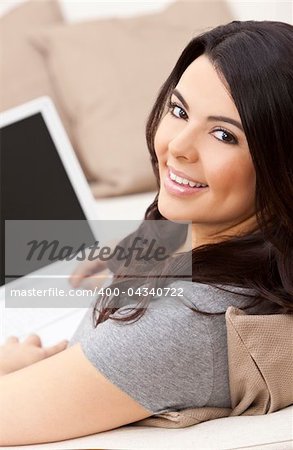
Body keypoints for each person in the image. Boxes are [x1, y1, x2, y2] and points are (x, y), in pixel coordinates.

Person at [0, 20, 292, 446]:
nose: (178, 146)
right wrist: (138, 248)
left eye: (224, 134)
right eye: (179, 110)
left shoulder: (178, 328)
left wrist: (9, 367)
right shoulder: (262, 258)